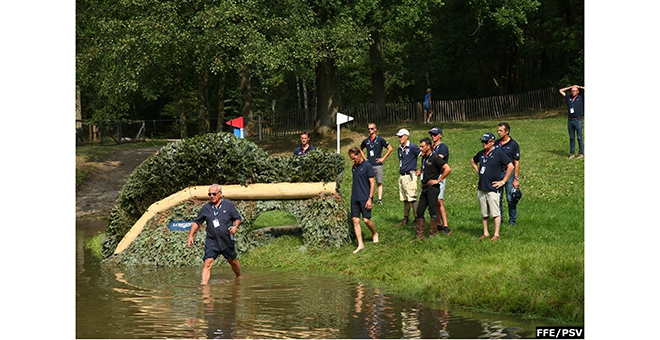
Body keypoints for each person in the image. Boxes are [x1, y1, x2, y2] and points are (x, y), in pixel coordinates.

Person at [187, 184, 242, 283]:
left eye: (214, 194)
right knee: (207, 263)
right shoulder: (206, 208)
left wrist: (235, 227)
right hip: (212, 241)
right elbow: (197, 222)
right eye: (209, 194)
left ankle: (239, 276)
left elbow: (238, 218)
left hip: (226, 241)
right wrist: (190, 235)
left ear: (220, 194)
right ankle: (204, 287)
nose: (211, 196)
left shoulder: (228, 205)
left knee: (233, 262)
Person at [470, 132, 514, 242]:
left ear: (492, 142)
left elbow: (510, 166)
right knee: (484, 212)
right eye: (482, 142)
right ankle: (485, 232)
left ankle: (496, 234)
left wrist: (503, 181)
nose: (483, 144)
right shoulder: (481, 154)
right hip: (482, 186)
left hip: (493, 187)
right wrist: (478, 170)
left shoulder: (499, 153)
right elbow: (472, 160)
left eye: (486, 142)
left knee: (495, 212)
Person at [414, 137, 451, 240]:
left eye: (422, 146)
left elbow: (447, 169)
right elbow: (424, 168)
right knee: (420, 211)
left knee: (432, 211)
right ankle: (420, 236)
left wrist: (438, 180)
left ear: (428, 146)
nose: (420, 148)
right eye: (420, 146)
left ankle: (432, 235)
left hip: (433, 188)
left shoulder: (435, 157)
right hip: (425, 188)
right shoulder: (424, 158)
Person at [348, 147, 378, 254]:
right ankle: (360, 244)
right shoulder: (354, 167)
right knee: (355, 220)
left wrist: (370, 199)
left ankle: (374, 233)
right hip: (355, 197)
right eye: (351, 158)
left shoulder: (367, 166)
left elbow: (372, 183)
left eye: (354, 157)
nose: (353, 160)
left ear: (359, 154)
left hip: (365, 197)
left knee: (366, 220)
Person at [360, 123, 393, 205]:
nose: (370, 130)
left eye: (371, 128)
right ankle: (369, 197)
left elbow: (390, 148)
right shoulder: (366, 141)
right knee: (369, 182)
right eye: (368, 129)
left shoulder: (380, 140)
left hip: (378, 164)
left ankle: (379, 199)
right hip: (368, 165)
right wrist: (364, 158)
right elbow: (360, 149)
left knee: (379, 182)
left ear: (375, 129)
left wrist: (383, 158)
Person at [494, 122, 520, 226]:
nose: (498, 133)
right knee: (497, 198)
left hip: (509, 173)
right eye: (498, 131)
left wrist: (515, 178)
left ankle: (512, 221)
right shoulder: (496, 144)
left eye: (501, 131)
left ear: (507, 131)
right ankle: (499, 220)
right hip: (498, 173)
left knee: (510, 198)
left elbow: (516, 163)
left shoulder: (514, 145)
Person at [395, 128, 420, 226]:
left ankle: (417, 220)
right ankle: (405, 219)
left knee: (412, 199)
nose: (399, 138)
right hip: (402, 176)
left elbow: (423, 155)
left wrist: (420, 169)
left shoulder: (412, 147)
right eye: (399, 137)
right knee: (405, 199)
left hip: (410, 175)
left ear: (406, 136)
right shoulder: (399, 148)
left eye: (401, 136)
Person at [428, 127, 451, 234]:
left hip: (440, 176)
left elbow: (438, 160)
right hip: (431, 176)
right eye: (432, 134)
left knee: (439, 201)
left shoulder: (443, 147)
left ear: (440, 135)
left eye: (435, 134)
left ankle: (445, 226)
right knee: (434, 201)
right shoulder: (432, 148)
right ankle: (438, 224)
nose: (433, 136)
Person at [558, 85, 585, 159]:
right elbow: (560, 90)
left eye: (574, 91)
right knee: (572, 138)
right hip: (570, 120)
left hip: (578, 120)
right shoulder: (568, 97)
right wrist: (570, 87)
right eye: (572, 91)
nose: (573, 92)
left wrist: (579, 87)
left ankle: (580, 153)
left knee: (579, 137)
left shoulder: (581, 97)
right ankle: (572, 153)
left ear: (577, 92)